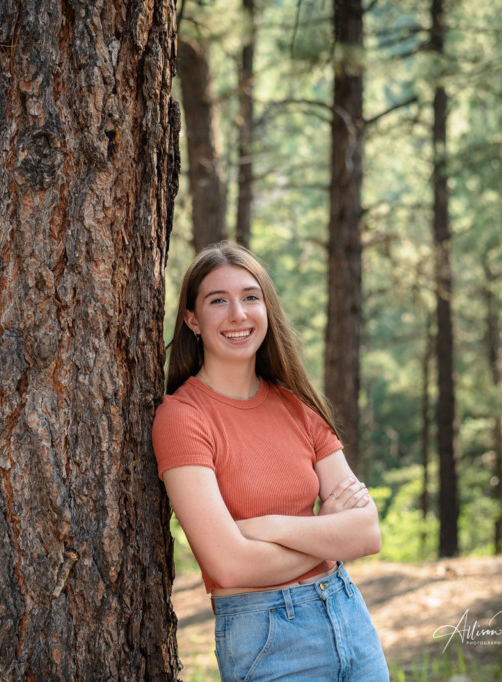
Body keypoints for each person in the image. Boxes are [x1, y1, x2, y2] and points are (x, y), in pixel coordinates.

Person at [152, 241, 388, 681]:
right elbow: (230, 565)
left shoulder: (297, 406)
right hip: (267, 637)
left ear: (266, 309)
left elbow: (367, 532)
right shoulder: (182, 418)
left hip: (348, 617)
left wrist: (269, 528)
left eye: (250, 297)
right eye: (217, 301)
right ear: (192, 320)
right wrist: (328, 539)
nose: (237, 314)